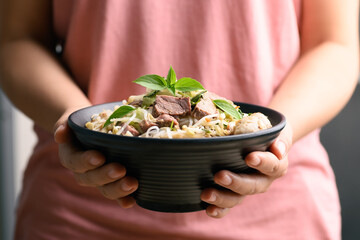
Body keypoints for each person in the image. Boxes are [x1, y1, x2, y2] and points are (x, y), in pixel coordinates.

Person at [0, 0, 358, 239]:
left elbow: (335, 44)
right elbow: (17, 39)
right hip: (76, 212)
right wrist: (81, 125)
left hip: (278, 214)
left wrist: (275, 135)